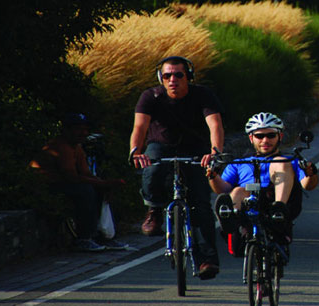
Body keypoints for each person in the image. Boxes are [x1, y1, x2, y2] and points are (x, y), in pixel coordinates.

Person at [129, 55, 223, 280]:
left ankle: (207, 260)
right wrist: (135, 151)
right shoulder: (150, 96)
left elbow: (215, 124)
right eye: (167, 75)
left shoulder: (203, 95)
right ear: (161, 77)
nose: (172, 80)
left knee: (200, 204)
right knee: (152, 170)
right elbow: (140, 127)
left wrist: (215, 152)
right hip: (160, 146)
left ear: (188, 77)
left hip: (195, 149)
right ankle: (154, 209)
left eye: (178, 75)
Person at [203, 112, 318, 252]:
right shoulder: (238, 164)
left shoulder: (289, 162)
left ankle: (278, 210)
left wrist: (310, 173)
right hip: (248, 202)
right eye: (259, 136)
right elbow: (222, 189)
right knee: (237, 191)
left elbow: (308, 185)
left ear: (280, 137)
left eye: (271, 135)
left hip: (276, 201)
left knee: (280, 162)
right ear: (251, 138)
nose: (265, 140)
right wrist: (213, 177)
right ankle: (232, 222)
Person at [30, 113, 127, 252]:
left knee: (102, 190)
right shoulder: (61, 147)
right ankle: (84, 238)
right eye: (78, 129)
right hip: (49, 187)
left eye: (85, 129)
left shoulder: (77, 147)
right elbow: (72, 177)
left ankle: (103, 236)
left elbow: (85, 173)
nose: (83, 133)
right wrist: (103, 184)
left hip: (67, 183)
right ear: (67, 130)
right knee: (86, 191)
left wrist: (106, 184)